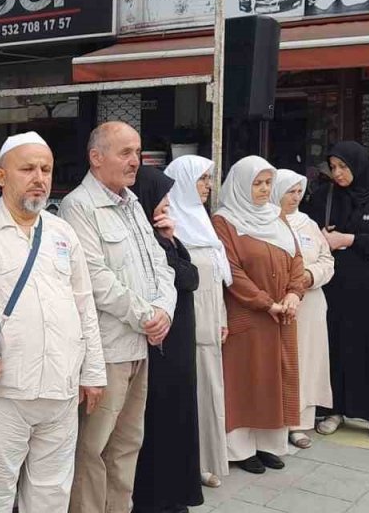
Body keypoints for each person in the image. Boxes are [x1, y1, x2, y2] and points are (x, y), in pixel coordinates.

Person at [0, 131, 106, 513]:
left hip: (61, 385)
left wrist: (93, 371)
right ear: (1, 176)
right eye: (28, 169)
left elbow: (84, 303)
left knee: (52, 491)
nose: (39, 178)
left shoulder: (62, 232)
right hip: (7, 385)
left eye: (46, 170)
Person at [60, 121, 176, 513]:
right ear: (96, 158)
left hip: (140, 344)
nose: (135, 161)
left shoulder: (133, 203)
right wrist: (148, 316)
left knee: (127, 444)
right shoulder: (79, 206)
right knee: (92, 448)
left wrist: (165, 311)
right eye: (125, 152)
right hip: (107, 349)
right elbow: (95, 279)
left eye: (137, 152)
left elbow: (161, 264)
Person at [211, 156, 304, 474]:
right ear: (240, 185)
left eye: (268, 183)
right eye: (257, 183)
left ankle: (268, 445)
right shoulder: (225, 221)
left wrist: (293, 293)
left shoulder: (276, 216)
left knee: (275, 379)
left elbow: (296, 259)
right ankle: (240, 449)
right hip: (248, 314)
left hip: (281, 316)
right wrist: (265, 302)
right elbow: (232, 271)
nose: (265, 189)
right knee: (245, 380)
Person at [309, 141, 369, 442]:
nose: (337, 173)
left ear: (359, 165)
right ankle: (334, 410)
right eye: (333, 167)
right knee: (336, 346)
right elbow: (307, 233)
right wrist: (322, 237)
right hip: (334, 286)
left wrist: (348, 239)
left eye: (343, 166)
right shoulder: (324, 196)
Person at [130, 166, 203, 513]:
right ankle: (156, 499)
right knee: (157, 421)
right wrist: (168, 245)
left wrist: (171, 240)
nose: (166, 204)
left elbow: (191, 276)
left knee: (178, 417)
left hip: (178, 344)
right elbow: (185, 278)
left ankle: (175, 494)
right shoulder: (143, 244)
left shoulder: (161, 237)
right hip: (160, 346)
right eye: (161, 198)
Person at [164, 155, 229, 489]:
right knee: (192, 395)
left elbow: (216, 278)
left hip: (210, 325)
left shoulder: (201, 221)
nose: (207, 186)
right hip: (185, 328)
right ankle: (192, 465)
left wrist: (222, 316)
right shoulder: (170, 225)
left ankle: (208, 460)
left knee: (209, 392)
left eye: (208, 179)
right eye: (201, 179)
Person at [271, 169, 334, 450]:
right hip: (278, 304)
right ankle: (276, 422)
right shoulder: (265, 223)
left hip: (310, 304)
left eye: (299, 191)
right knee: (280, 362)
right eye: (290, 191)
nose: (296, 197)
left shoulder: (308, 224)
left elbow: (327, 260)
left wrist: (310, 276)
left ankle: (300, 422)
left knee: (306, 361)